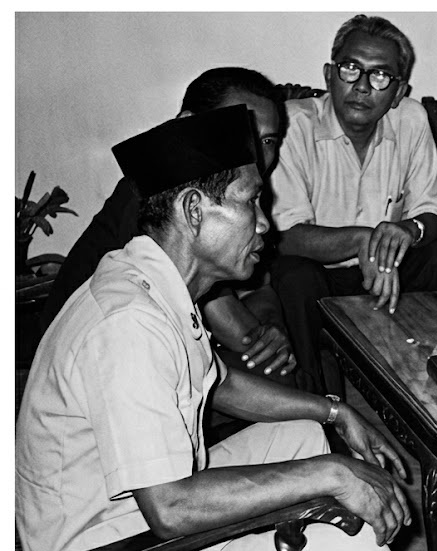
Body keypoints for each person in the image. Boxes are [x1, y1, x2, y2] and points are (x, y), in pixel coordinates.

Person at [16, 105, 411, 551]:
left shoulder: (152, 281)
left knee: (302, 434)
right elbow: (171, 508)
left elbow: (218, 381)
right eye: (251, 202)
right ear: (194, 210)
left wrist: (334, 411)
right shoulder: (129, 324)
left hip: (128, 519)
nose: (266, 224)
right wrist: (333, 474)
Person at [40, 67, 297, 383]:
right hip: (97, 363)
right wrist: (262, 341)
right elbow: (225, 324)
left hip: (171, 344)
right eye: (240, 129)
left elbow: (258, 287)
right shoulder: (148, 195)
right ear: (186, 123)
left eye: (267, 140)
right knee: (280, 375)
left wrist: (272, 326)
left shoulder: (241, 199)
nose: (254, 150)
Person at [271, 14, 437, 393]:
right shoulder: (295, 124)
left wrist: (409, 230)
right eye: (350, 69)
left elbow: (429, 211)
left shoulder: (411, 119)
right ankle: (317, 402)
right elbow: (287, 237)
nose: (362, 86)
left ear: (398, 92)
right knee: (294, 275)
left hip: (390, 269)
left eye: (380, 76)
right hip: (322, 272)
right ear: (329, 75)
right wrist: (365, 239)